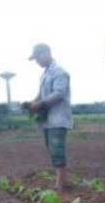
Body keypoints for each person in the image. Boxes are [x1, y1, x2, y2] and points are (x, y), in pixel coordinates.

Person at [23, 43, 73, 192]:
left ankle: (60, 183)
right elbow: (40, 94)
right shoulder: (44, 74)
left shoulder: (60, 72)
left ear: (46, 53)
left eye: (37, 57)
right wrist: (32, 102)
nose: (37, 62)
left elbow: (58, 94)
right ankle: (64, 180)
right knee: (51, 149)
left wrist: (40, 105)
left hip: (58, 117)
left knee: (57, 148)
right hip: (47, 119)